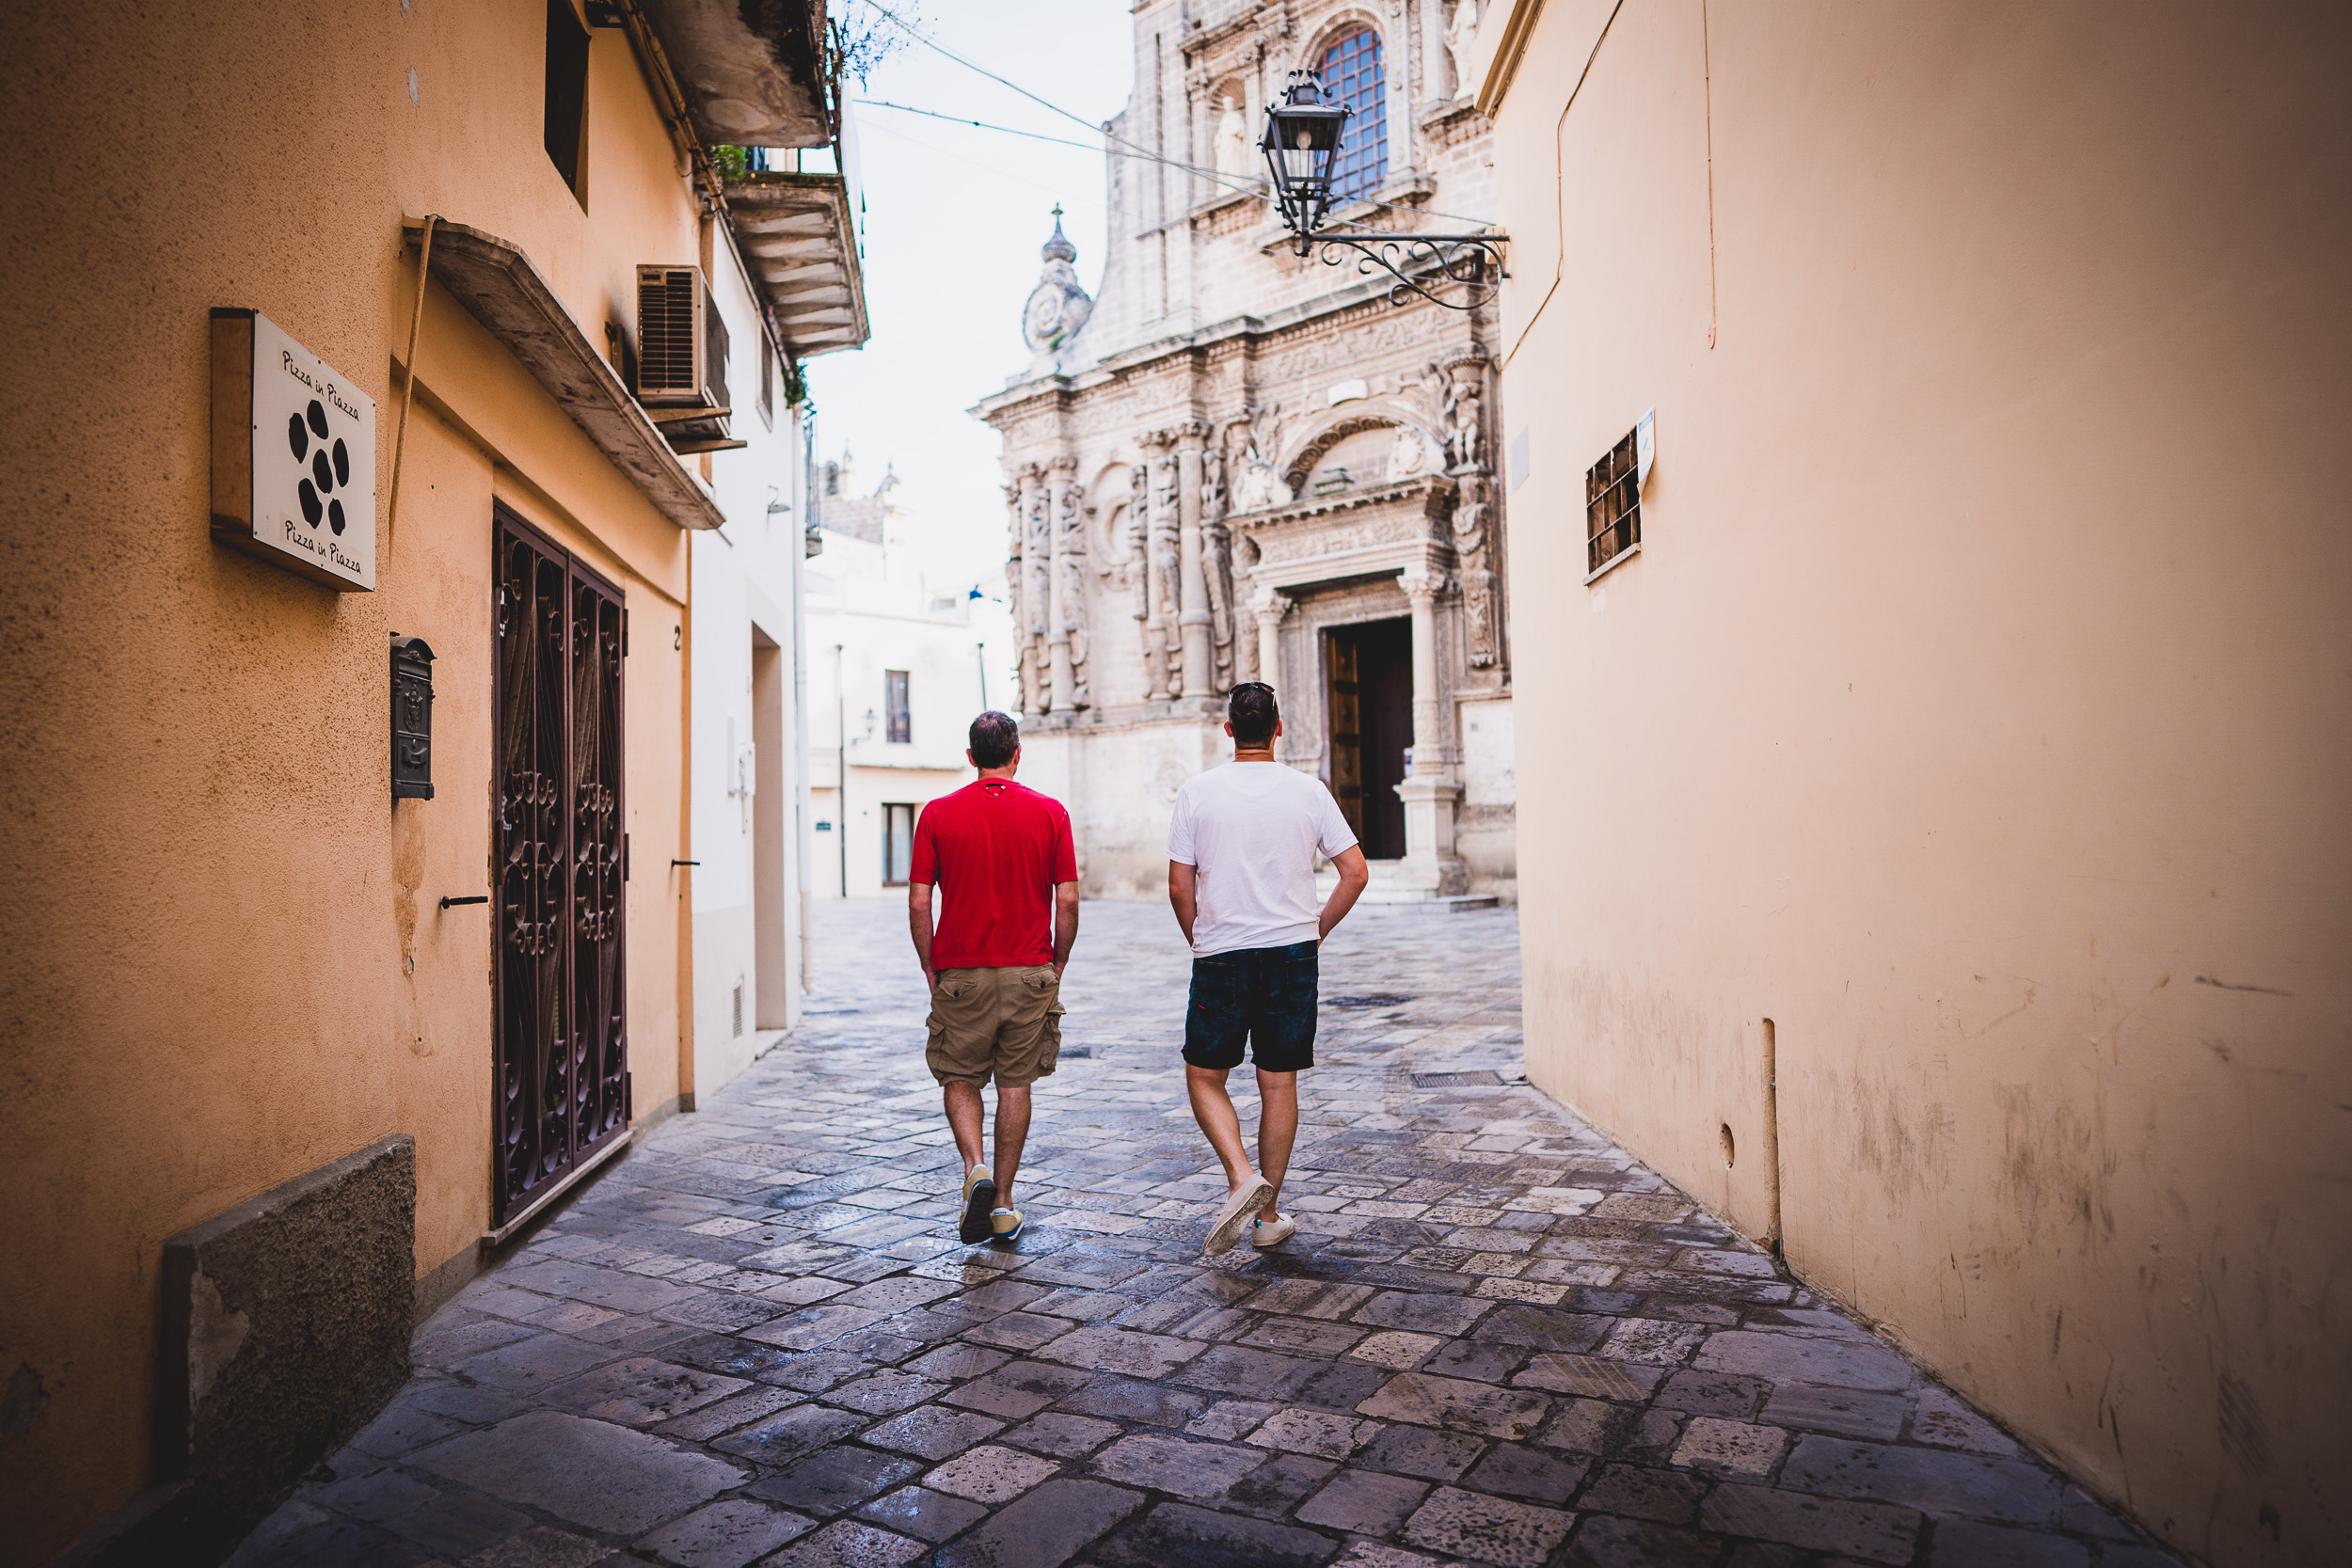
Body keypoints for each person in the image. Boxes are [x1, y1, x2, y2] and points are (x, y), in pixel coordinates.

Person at [1168, 682, 1370, 1254]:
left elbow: (1180, 882)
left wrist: (1198, 936)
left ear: (1228, 730)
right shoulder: (1309, 792)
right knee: (1278, 1083)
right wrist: (1318, 927)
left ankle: (1240, 1176)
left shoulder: (1198, 792)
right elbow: (1354, 871)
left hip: (1223, 953)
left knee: (1205, 1075)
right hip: (1291, 953)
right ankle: (1267, 1216)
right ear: (1279, 728)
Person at [909, 711, 1079, 1243]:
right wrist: (1058, 961)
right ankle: (1003, 1203)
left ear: (970, 757)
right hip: (1029, 969)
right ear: (1017, 753)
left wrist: (930, 964)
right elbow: (1068, 898)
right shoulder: (1051, 813)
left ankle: (974, 1168)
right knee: (1015, 1082)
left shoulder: (937, 813)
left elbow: (919, 900)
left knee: (960, 1077)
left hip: (961, 970)